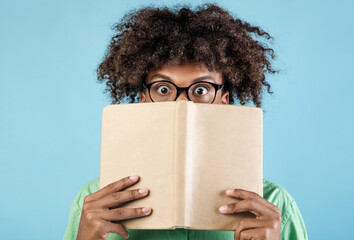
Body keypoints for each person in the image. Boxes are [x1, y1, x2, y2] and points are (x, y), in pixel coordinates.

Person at [63, 3, 308, 240]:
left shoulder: (274, 206)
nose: (182, 104)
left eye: (201, 90)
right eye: (162, 89)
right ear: (142, 100)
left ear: (224, 101)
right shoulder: (94, 202)